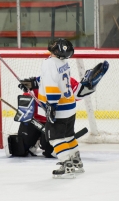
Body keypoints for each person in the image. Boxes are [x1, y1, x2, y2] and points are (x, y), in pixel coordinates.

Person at [37, 38, 108, 178]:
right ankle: (76, 162)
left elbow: (51, 86)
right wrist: (34, 81)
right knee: (68, 136)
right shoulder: (64, 63)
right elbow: (53, 80)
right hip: (70, 107)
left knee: (55, 138)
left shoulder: (49, 63)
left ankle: (67, 166)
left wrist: (51, 106)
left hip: (59, 108)